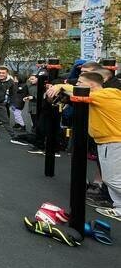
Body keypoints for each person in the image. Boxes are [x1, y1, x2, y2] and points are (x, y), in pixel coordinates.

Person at [47, 72, 121, 221]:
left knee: (112, 179)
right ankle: (119, 208)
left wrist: (60, 85)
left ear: (91, 85)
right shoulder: (103, 96)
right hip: (107, 140)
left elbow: (75, 91)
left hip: (113, 141)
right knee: (110, 178)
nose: (77, 85)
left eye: (80, 82)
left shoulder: (103, 95)